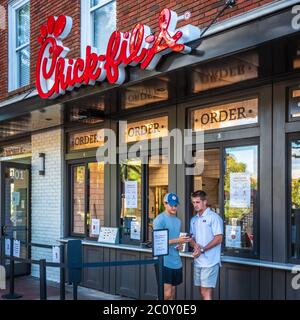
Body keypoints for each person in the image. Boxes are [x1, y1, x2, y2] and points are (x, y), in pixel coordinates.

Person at [153, 193, 191, 300]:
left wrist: (179, 245)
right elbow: (158, 242)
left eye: (175, 205)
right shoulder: (159, 219)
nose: (174, 207)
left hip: (176, 260)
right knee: (166, 294)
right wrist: (178, 240)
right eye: (171, 205)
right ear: (165, 204)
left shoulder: (178, 221)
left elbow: (173, 240)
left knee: (172, 293)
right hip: (163, 261)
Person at [189, 190, 223, 300]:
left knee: (205, 292)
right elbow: (191, 238)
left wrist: (202, 249)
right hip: (198, 261)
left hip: (210, 261)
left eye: (197, 202)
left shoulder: (214, 217)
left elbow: (219, 238)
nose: (195, 205)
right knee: (201, 291)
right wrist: (196, 247)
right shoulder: (193, 219)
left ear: (205, 202)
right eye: (193, 202)